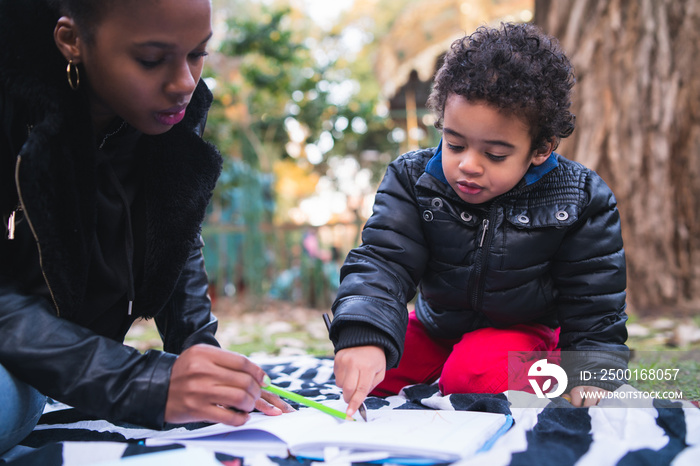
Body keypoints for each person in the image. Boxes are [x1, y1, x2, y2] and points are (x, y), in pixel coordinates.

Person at [0, 0, 292, 454]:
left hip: (44, 356)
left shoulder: (167, 113)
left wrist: (203, 363)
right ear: (71, 41)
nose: (184, 84)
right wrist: (139, 382)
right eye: (151, 60)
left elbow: (173, 230)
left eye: (198, 54)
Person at [328, 22, 629, 417]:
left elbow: (593, 297)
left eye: (496, 154)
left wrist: (592, 366)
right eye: (454, 144)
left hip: (523, 329)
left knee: (472, 377)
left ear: (541, 148)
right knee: (372, 368)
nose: (468, 165)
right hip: (440, 325)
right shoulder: (412, 179)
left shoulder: (581, 197)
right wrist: (364, 333)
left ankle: (547, 363)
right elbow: (384, 260)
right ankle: (441, 362)